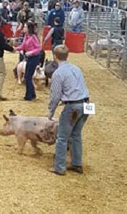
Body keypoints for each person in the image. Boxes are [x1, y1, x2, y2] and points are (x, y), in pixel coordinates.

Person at [47, 45, 90, 176]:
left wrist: (51, 111)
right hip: (86, 104)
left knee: (62, 137)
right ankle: (77, 163)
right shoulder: (76, 68)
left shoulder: (58, 73)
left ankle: (59, 167)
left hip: (73, 106)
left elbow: (55, 95)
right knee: (76, 134)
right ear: (68, 55)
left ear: (55, 57)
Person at [14, 22, 42, 101]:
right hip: (29, 57)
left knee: (28, 76)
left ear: (29, 28)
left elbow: (38, 48)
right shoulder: (26, 36)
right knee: (27, 76)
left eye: (25, 27)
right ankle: (31, 94)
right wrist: (15, 48)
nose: (23, 29)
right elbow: (23, 46)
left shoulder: (33, 37)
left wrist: (30, 52)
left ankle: (29, 95)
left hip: (34, 58)